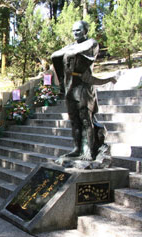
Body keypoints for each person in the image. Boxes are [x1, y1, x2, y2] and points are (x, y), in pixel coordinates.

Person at [51, 21, 114, 161]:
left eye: (78, 30)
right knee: (74, 121)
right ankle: (77, 148)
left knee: (86, 119)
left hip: (84, 86)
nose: (75, 33)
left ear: (85, 30)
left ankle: (89, 150)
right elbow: (55, 55)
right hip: (70, 87)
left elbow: (80, 53)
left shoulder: (92, 43)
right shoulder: (71, 46)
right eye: (73, 30)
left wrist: (68, 52)